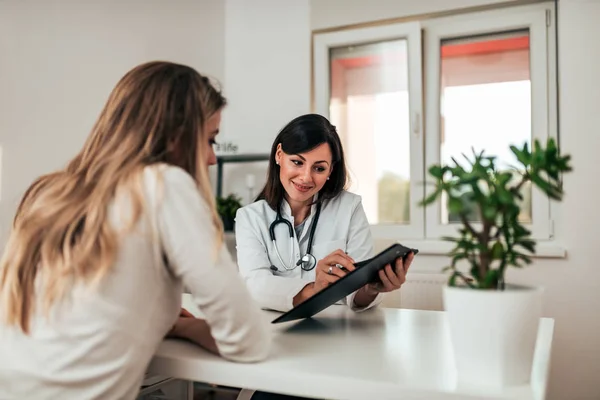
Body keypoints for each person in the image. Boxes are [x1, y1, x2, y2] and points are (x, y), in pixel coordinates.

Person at [0, 61, 271, 400]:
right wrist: (182, 326)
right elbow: (248, 340)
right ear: (176, 138)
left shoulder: (53, 192)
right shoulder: (162, 184)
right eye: (209, 140)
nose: (212, 158)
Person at [235, 114, 414, 314]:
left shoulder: (350, 207)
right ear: (279, 155)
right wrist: (314, 290)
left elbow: (356, 294)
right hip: (272, 329)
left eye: (319, 168)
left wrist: (370, 288)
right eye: (297, 162)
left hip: (335, 328)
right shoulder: (249, 217)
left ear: (331, 170)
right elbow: (255, 286)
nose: (305, 177)